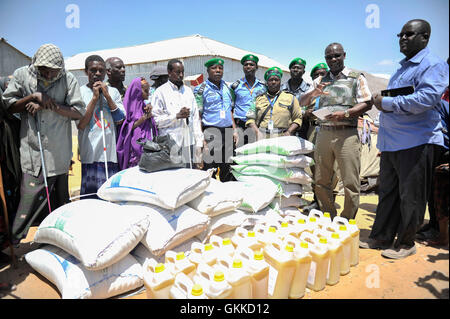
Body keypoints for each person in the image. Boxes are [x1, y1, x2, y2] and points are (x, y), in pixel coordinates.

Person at [360, 19, 449, 259]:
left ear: (425, 37)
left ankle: (406, 243)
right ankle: (381, 236)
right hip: (392, 142)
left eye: (409, 34)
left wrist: (386, 102)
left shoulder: (434, 65)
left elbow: (427, 99)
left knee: (411, 196)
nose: (403, 38)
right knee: (388, 191)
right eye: (401, 34)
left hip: (417, 141)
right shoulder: (401, 68)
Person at [1, 43, 85, 244]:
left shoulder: (68, 79)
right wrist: (32, 96)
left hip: (59, 154)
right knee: (28, 203)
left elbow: (78, 112)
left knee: (60, 203)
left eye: (52, 71)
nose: (48, 75)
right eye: (44, 70)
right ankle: (14, 240)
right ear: (36, 65)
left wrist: (49, 105)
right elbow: (8, 105)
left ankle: (60, 242)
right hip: (33, 153)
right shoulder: (22, 75)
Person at [300, 43, 373, 221]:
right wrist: (313, 94)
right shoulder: (320, 80)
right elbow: (302, 102)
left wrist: (346, 113)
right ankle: (328, 215)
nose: (333, 59)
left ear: (344, 56)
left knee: (350, 181)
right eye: (329, 57)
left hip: (347, 133)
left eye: (336, 56)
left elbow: (367, 102)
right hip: (324, 133)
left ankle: (346, 219)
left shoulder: (356, 78)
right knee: (321, 179)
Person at [77, 55, 125, 199]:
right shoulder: (79, 92)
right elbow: (81, 124)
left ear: (105, 72)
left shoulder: (114, 92)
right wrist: (94, 98)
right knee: (91, 196)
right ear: (86, 72)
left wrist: (107, 96)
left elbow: (120, 119)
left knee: (109, 195)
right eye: (93, 70)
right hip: (90, 151)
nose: (97, 74)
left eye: (101, 70)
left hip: (109, 153)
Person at [152, 59, 204, 168]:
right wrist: (176, 116)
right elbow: (156, 122)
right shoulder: (160, 92)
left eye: (182, 72)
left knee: (189, 175)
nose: (181, 75)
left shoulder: (188, 91)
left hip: (189, 143)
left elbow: (195, 119)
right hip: (170, 145)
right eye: (177, 72)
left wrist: (199, 143)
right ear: (169, 72)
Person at [194, 58, 238, 182]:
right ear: (208, 70)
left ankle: (229, 197)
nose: (218, 70)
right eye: (214, 68)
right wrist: (202, 138)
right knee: (210, 168)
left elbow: (230, 110)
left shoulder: (227, 88)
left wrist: (234, 130)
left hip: (228, 132)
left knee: (229, 168)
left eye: (220, 68)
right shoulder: (200, 89)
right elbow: (197, 115)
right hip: (211, 133)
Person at [246, 67, 302, 140]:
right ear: (266, 82)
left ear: (280, 81)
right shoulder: (258, 99)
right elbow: (250, 118)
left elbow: (298, 118)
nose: (273, 82)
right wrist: (257, 132)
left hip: (283, 136)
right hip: (262, 136)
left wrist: (289, 131)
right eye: (270, 80)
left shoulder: (291, 98)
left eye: (276, 80)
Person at [116, 77, 158, 170]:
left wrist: (150, 115)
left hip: (147, 145)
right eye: (145, 91)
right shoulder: (128, 107)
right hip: (134, 149)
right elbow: (125, 128)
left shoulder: (145, 106)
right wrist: (143, 118)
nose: (148, 94)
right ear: (137, 91)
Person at [231, 54, 266, 146]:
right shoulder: (235, 86)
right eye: (246, 65)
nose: (248, 67)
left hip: (257, 126)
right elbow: (230, 109)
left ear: (257, 67)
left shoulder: (263, 86)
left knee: (256, 154)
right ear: (243, 68)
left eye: (251, 64)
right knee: (239, 155)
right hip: (240, 126)